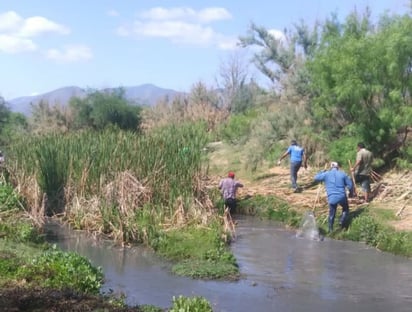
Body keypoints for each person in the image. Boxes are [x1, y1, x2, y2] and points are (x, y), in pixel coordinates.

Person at [314, 162, 354, 233]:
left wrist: (321, 171)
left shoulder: (326, 174)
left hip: (331, 197)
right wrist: (351, 192)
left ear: (331, 167)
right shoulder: (342, 174)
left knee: (332, 213)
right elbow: (350, 185)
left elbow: (316, 177)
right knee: (346, 209)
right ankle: (342, 221)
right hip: (341, 196)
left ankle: (330, 229)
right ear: (337, 167)